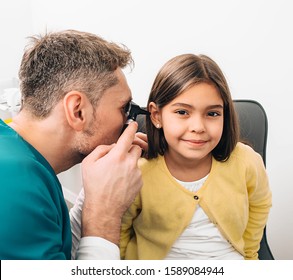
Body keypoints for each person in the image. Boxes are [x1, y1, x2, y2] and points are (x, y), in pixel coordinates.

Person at [0, 30, 147, 260]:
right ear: (78, 110)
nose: (130, 122)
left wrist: (96, 196)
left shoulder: (23, 163)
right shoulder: (18, 189)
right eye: (124, 109)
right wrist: (104, 215)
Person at [120, 54, 272, 260]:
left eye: (212, 114)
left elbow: (260, 203)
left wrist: (250, 254)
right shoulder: (137, 172)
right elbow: (118, 230)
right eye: (182, 112)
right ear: (156, 116)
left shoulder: (246, 162)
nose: (198, 128)